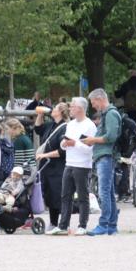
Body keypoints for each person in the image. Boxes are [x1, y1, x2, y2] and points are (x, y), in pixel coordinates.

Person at [46, 98, 97, 235]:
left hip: (82, 165)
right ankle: (63, 225)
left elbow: (89, 149)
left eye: (73, 106)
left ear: (80, 108)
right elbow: (64, 142)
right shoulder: (71, 124)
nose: (70, 109)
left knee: (82, 195)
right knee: (65, 195)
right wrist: (64, 144)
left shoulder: (89, 125)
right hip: (69, 163)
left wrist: (75, 144)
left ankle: (82, 225)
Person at [83, 89, 122, 236]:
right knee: (109, 192)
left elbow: (111, 136)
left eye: (93, 102)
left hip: (106, 156)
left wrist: (93, 140)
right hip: (104, 155)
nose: (93, 106)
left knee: (103, 192)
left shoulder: (111, 114)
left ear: (100, 99)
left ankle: (103, 224)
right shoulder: (108, 114)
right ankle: (111, 225)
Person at [34, 102, 69, 232]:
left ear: (60, 112)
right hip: (47, 165)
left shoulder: (65, 128)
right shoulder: (51, 125)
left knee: (57, 194)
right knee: (49, 194)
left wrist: (44, 155)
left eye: (55, 108)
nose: (52, 110)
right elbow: (38, 129)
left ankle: (62, 223)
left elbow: (62, 151)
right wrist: (40, 115)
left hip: (58, 166)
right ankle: (53, 222)